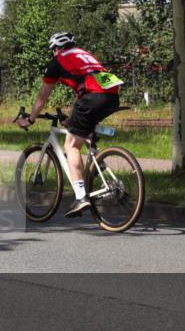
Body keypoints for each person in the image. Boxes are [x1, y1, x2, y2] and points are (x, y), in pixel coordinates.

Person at [16, 31, 123, 216]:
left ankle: (81, 197)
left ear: (56, 48)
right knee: (82, 129)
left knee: (71, 146)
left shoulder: (57, 61)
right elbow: (85, 88)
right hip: (112, 95)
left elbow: (42, 96)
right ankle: (98, 164)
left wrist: (31, 118)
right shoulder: (84, 55)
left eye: (53, 50)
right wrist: (72, 118)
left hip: (93, 96)